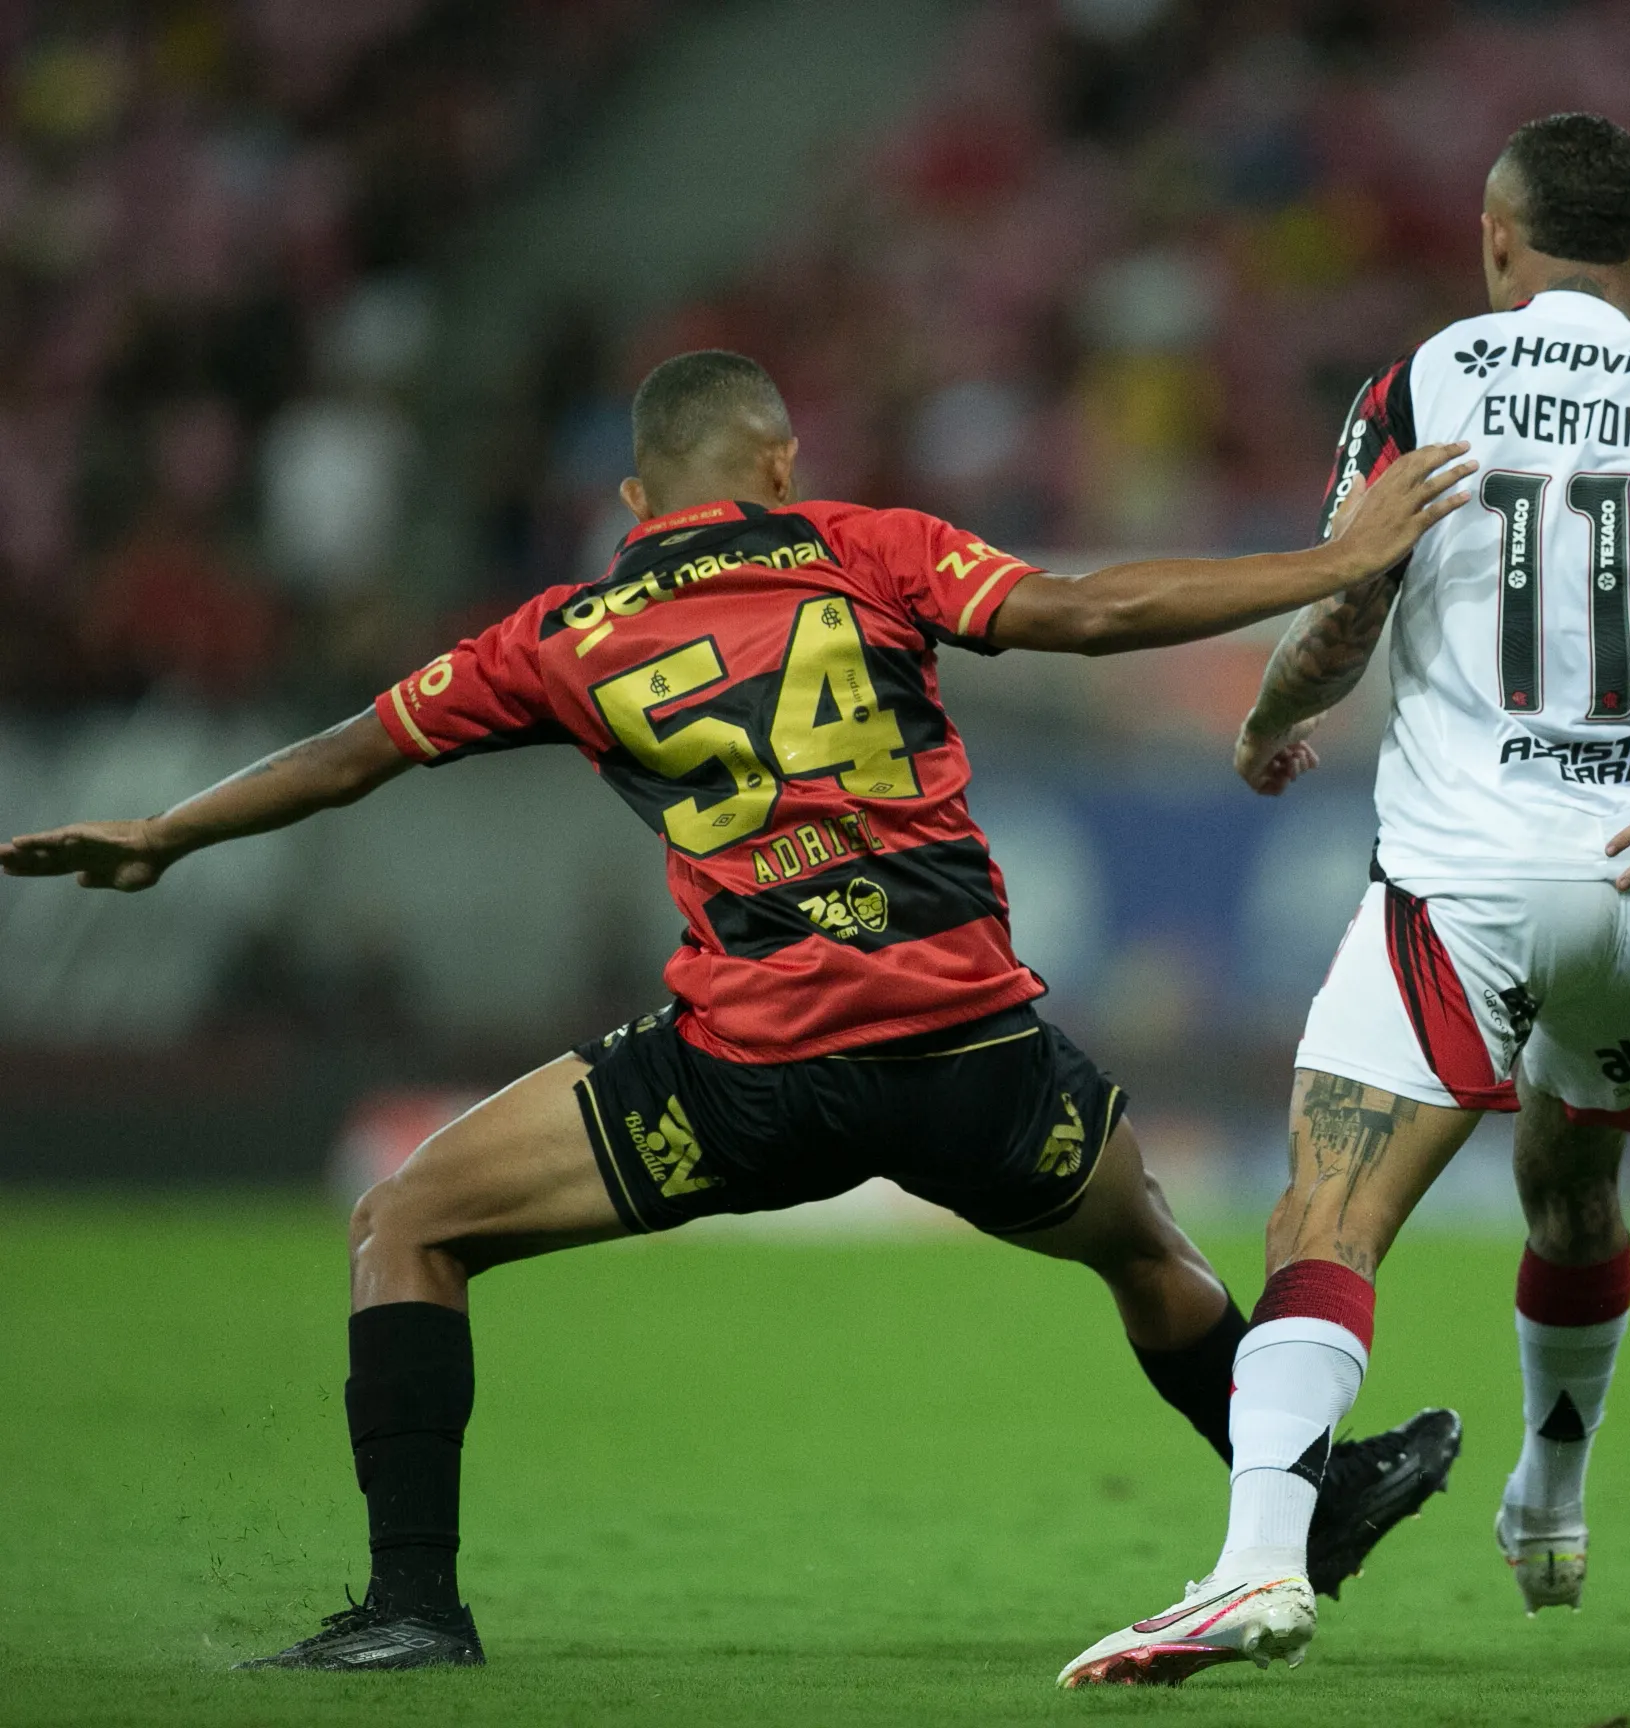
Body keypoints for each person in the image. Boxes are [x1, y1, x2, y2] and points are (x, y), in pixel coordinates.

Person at [0, 351, 1477, 1671]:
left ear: (636, 496)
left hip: (749, 1073)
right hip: (974, 1054)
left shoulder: (564, 635)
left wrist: (162, 834)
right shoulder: (866, 549)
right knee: (1150, 1251)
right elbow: (1087, 613)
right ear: (780, 462)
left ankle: (410, 1607)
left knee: (409, 1223)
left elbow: (349, 752)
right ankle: (1316, 1496)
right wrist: (1333, 559)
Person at [1061, 112, 1630, 1687]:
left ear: (1495, 237)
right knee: (1573, 1188)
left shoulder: (1429, 381)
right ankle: (1554, 1496)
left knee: (1327, 1212)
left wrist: (1266, 722)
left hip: (1465, 877)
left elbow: (1347, 604)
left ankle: (1257, 1565)